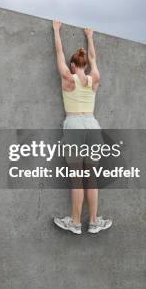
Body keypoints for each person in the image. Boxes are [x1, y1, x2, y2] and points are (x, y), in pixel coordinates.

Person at [51, 20, 112, 234]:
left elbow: (58, 53)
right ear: (84, 65)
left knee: (77, 178)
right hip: (92, 125)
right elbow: (94, 58)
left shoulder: (67, 79)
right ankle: (94, 221)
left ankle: (76, 222)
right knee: (92, 177)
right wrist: (90, 37)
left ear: (73, 65)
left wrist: (56, 31)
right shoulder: (94, 79)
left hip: (74, 124)